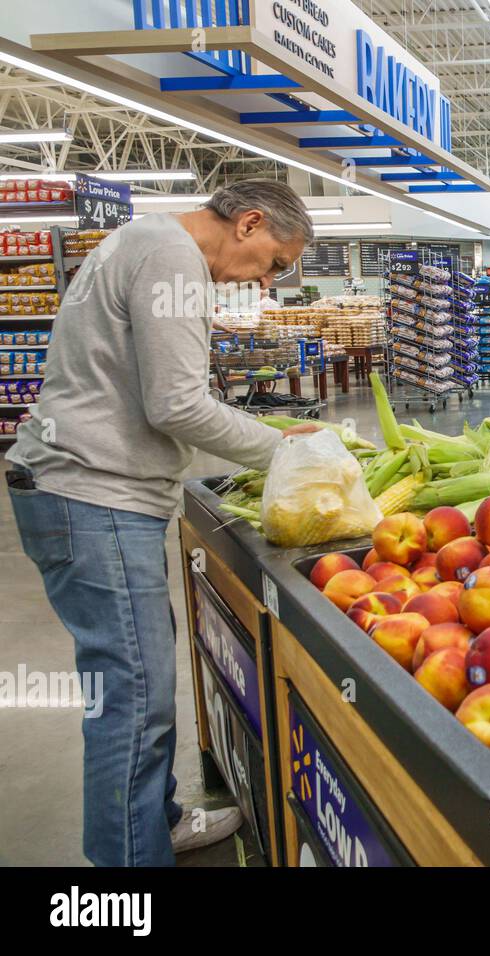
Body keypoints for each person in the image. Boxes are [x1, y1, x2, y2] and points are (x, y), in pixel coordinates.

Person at [6, 179, 319, 866]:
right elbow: (175, 406)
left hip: (78, 488)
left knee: (135, 679)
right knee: (134, 696)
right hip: (95, 496)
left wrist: (269, 431)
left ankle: (154, 822)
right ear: (250, 222)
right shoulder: (171, 255)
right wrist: (287, 450)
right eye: (273, 263)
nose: (265, 282)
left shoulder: (143, 238)